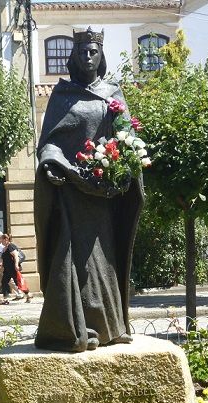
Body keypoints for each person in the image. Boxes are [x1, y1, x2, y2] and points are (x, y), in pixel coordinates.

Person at [34, 27, 144, 352]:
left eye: (93, 51)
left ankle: (111, 326)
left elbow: (127, 137)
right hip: (72, 193)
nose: (87, 57)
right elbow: (49, 143)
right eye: (82, 51)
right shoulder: (62, 94)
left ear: (101, 55)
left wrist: (124, 164)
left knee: (105, 257)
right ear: (73, 56)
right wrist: (52, 163)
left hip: (104, 194)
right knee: (77, 260)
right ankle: (77, 328)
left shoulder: (113, 93)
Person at [0, 234, 32, 303]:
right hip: (7, 269)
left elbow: (16, 256)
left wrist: (16, 265)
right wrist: (1, 263)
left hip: (13, 269)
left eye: (1, 239)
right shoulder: (5, 248)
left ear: (6, 239)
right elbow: (5, 257)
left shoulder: (11, 246)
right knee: (4, 282)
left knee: (18, 282)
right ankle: (5, 298)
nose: (0, 241)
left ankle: (28, 294)